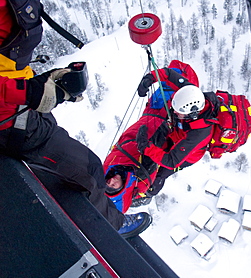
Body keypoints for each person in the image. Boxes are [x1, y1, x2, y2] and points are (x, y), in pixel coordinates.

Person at [0, 0, 151, 238]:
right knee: (83, 175)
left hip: (27, 114)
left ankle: (103, 214)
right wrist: (29, 92)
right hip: (12, 124)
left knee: (91, 164)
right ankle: (111, 228)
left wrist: (46, 82)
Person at [135, 67, 220, 200]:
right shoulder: (190, 93)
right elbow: (169, 74)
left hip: (188, 155)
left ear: (192, 115)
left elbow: (171, 161)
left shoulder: (198, 133)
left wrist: (146, 148)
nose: (174, 112)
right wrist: (150, 78)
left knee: (161, 173)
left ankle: (146, 195)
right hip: (176, 134)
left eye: (178, 112)